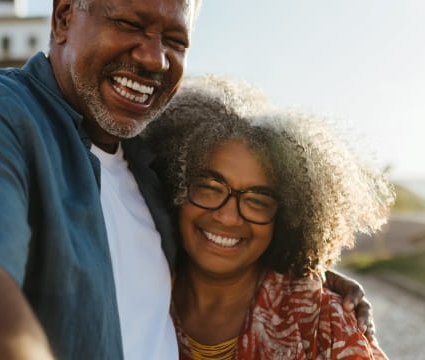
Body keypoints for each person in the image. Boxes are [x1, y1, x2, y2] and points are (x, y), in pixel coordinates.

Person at [0, 0, 372, 359]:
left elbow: (219, 226)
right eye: (129, 24)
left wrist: (301, 276)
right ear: (64, 16)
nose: (154, 58)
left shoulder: (150, 159)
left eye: (175, 40)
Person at [143, 76, 394, 360]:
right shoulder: (131, 290)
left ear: (288, 218)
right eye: (210, 188)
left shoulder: (324, 324)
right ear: (175, 185)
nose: (227, 216)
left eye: (257, 201)